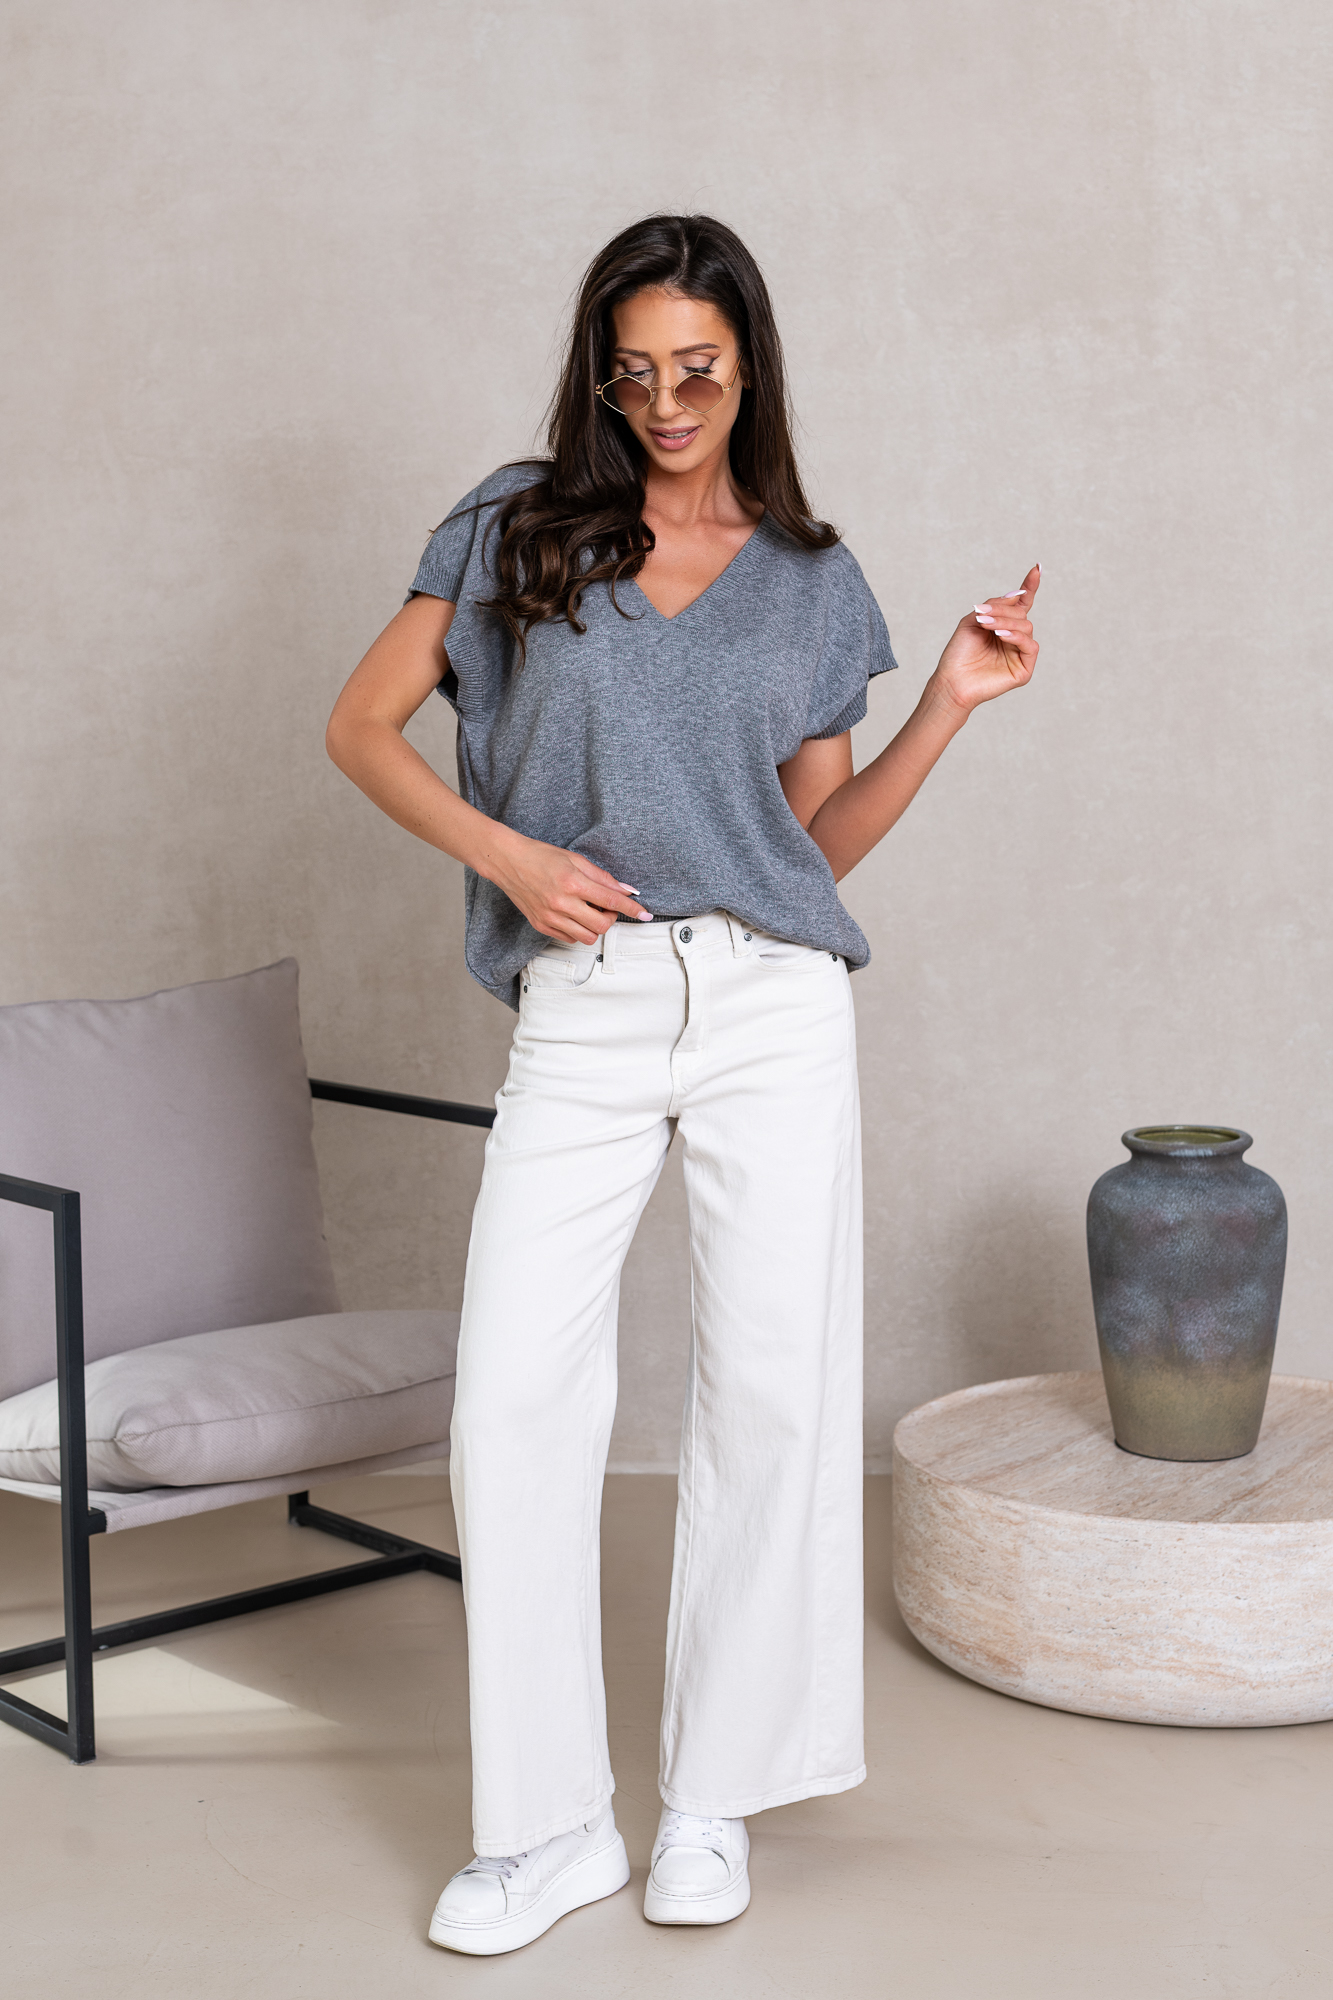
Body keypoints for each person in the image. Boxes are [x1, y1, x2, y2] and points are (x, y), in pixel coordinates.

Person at [325, 212, 1040, 1957]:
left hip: (771, 1005)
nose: (664, 403)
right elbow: (359, 726)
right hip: (583, 998)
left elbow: (811, 848)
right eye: (633, 371)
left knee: (773, 1398)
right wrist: (510, 858)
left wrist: (948, 701)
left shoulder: (809, 578)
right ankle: (544, 1830)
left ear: (747, 370)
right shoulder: (514, 524)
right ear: (598, 374)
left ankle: (710, 1798)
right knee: (512, 1400)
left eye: (697, 371)